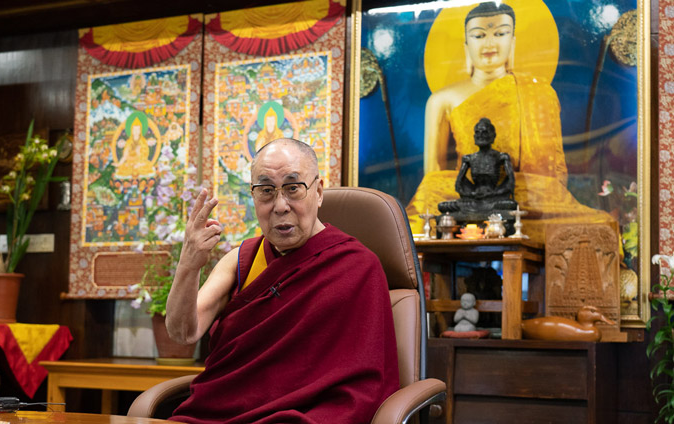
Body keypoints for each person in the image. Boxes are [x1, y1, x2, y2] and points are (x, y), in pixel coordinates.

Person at [165, 138, 399, 423]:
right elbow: (183, 333)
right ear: (253, 196)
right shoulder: (243, 260)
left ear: (319, 192)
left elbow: (364, 387)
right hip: (217, 417)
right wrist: (189, 264)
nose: (280, 206)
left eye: (293, 188)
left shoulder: (359, 267)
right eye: (266, 191)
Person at [406, 2, 616, 243]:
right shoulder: (441, 99)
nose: (490, 43)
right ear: (466, 44)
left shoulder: (540, 93)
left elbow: (555, 175)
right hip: (467, 201)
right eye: (479, 35)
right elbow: (433, 179)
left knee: (602, 227)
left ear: (513, 41)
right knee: (418, 217)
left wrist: (522, 190)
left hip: (528, 198)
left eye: (500, 33)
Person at [438, 117, 517, 217]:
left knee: (510, 205)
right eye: (477, 132)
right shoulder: (468, 158)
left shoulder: (501, 157)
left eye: (484, 132)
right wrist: (471, 194)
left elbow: (510, 183)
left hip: (494, 199)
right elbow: (459, 185)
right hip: (473, 200)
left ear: (493, 136)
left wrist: (493, 194)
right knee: (443, 206)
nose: (480, 136)